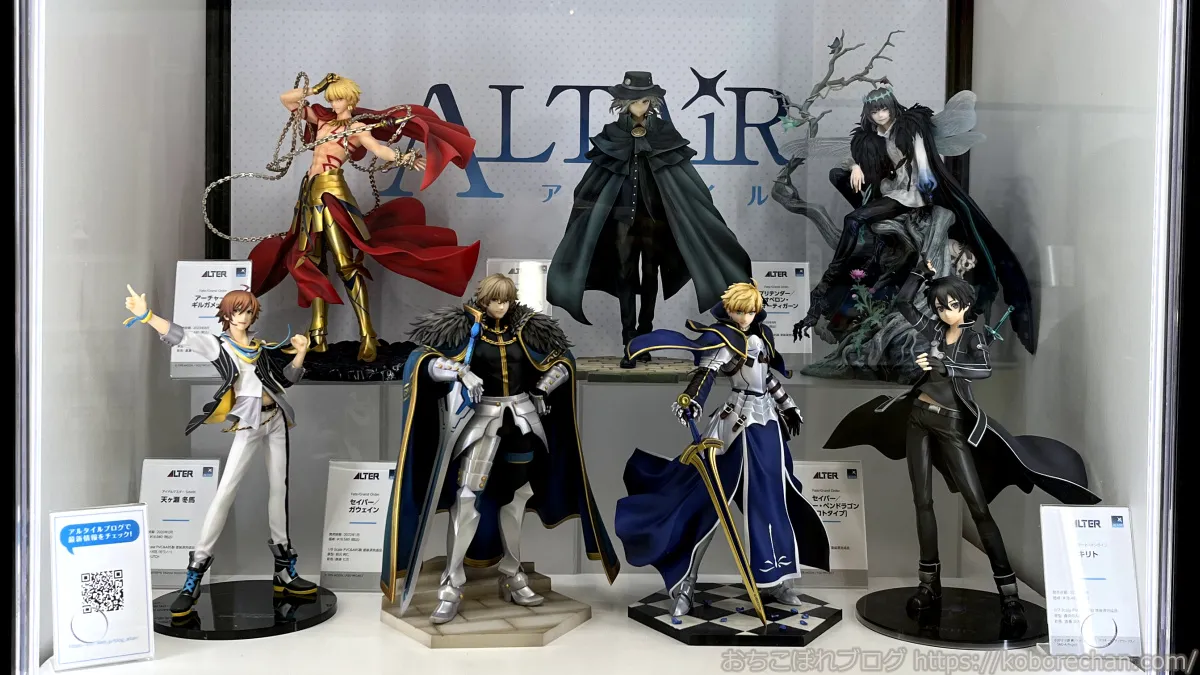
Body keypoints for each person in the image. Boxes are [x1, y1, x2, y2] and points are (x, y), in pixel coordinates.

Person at [825, 260, 1101, 632]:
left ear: (966, 304)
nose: (945, 312)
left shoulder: (973, 336)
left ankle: (1009, 595)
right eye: (940, 306)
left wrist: (946, 366)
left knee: (978, 507)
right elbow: (904, 304)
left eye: (952, 305)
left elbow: (983, 370)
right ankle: (929, 585)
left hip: (952, 423)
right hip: (918, 418)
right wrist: (920, 274)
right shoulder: (934, 330)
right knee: (922, 502)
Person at [380, 274, 619, 623]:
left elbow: (564, 362)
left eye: (506, 300)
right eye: (495, 300)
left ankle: (512, 573)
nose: (501, 306)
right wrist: (460, 372)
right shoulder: (463, 330)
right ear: (483, 299)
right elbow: (424, 362)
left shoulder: (529, 330)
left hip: (522, 422)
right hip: (481, 422)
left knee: (518, 497)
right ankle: (451, 583)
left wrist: (543, 386)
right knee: (466, 498)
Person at [614, 281, 830, 617]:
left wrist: (787, 404)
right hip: (734, 430)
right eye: (738, 311)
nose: (744, 317)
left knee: (773, 502)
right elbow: (706, 374)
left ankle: (776, 579)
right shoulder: (723, 339)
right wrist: (691, 400)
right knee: (706, 505)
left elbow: (766, 378)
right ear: (728, 309)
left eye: (750, 311)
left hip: (767, 428)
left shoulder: (762, 336)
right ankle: (685, 582)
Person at [248, 73, 480, 362]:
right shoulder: (322, 121)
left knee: (346, 265)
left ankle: (367, 335)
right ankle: (317, 337)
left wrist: (403, 158)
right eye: (330, 98)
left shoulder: (357, 128)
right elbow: (287, 100)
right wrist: (318, 87)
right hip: (308, 195)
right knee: (310, 263)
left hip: (332, 195)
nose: (333, 103)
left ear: (350, 100)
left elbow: (378, 149)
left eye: (337, 98)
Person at [795, 86, 1036, 357]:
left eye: (883, 109)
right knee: (862, 230)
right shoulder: (872, 136)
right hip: (890, 193)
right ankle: (841, 297)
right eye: (874, 111)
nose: (880, 115)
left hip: (911, 195)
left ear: (892, 107)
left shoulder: (910, 127)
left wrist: (927, 190)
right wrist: (856, 166)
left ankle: (831, 277)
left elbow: (923, 159)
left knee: (854, 220)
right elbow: (852, 158)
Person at [122, 286, 316, 616]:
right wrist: (147, 316)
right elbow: (182, 336)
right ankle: (194, 574)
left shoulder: (259, 347)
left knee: (279, 491)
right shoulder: (219, 345)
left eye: (249, 311)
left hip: (276, 420)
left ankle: (284, 570)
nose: (245, 317)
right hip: (249, 424)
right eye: (239, 311)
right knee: (225, 493)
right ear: (227, 314)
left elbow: (285, 380)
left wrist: (300, 353)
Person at [547, 71, 753, 367]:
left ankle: (645, 335)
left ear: (652, 101)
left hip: (656, 222)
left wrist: (692, 206)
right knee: (625, 275)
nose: (639, 107)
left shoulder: (663, 132)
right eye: (634, 101)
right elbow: (593, 179)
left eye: (644, 101)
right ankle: (629, 340)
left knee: (650, 275)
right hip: (622, 220)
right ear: (623, 103)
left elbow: (685, 179)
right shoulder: (612, 133)